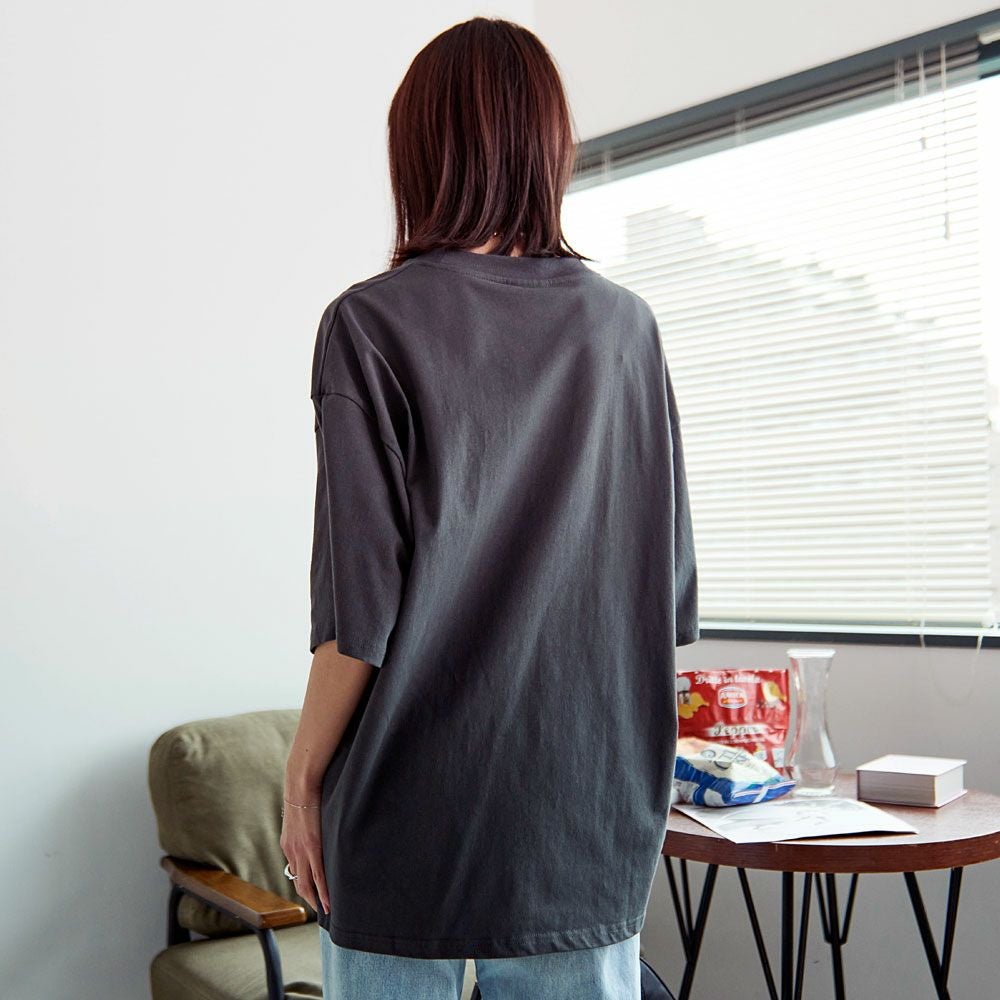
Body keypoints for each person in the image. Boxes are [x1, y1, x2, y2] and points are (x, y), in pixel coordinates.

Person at [280, 15, 698, 1000]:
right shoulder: (628, 331)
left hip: (403, 820)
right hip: (585, 826)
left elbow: (359, 616)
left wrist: (300, 780)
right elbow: (665, 597)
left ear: (419, 150)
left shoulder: (368, 325)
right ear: (550, 147)